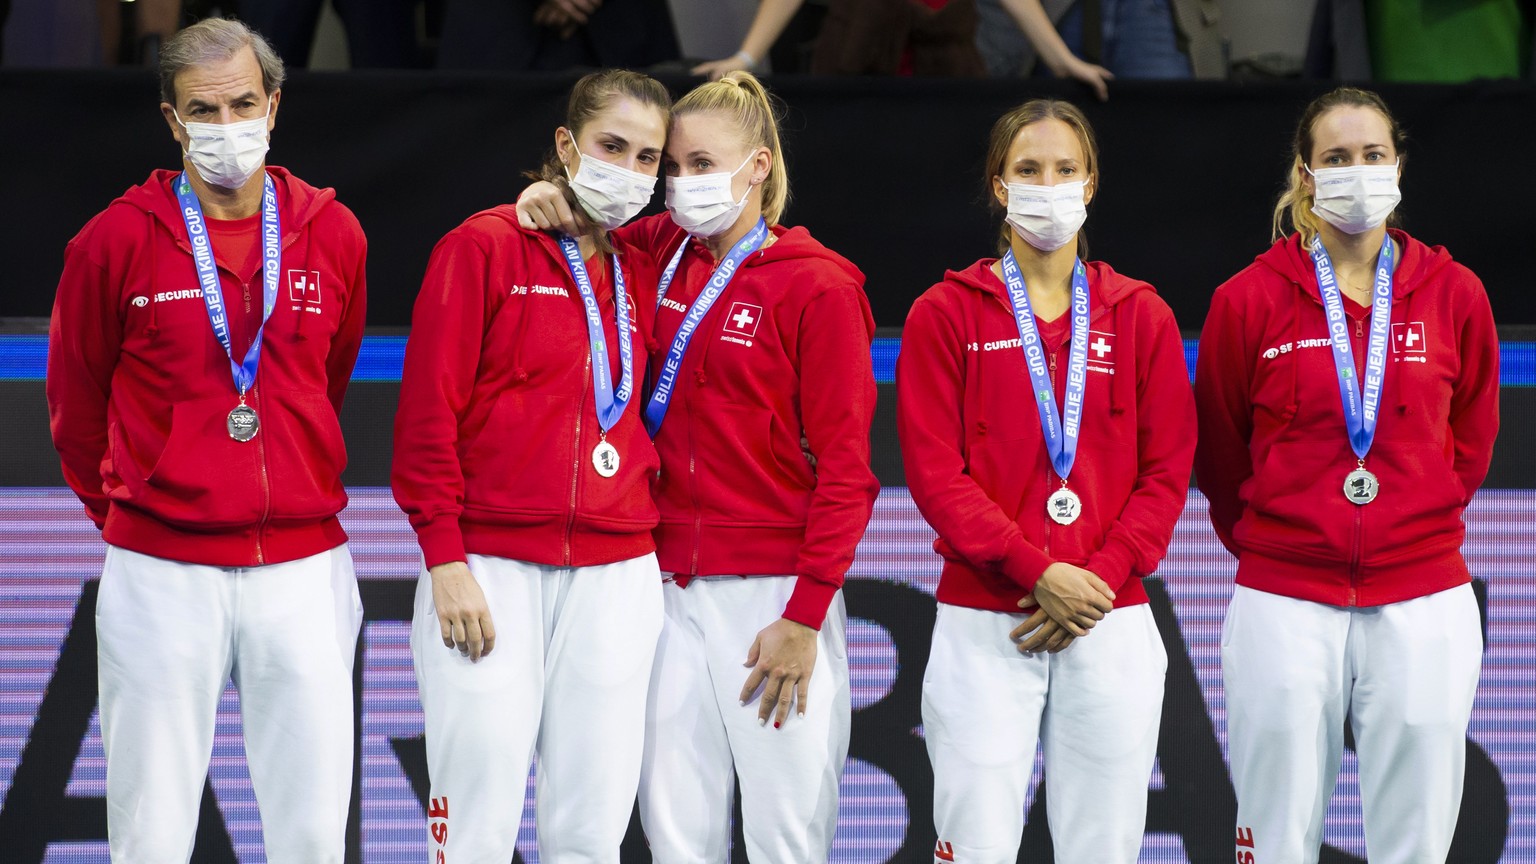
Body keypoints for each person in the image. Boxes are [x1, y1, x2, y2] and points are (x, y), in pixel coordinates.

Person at [518, 71, 879, 862]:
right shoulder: (654, 252)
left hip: (773, 597)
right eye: (672, 167)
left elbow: (850, 474)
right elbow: (577, 222)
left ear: (758, 167)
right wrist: (536, 201)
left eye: (702, 165)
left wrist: (805, 615)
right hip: (661, 589)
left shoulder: (819, 287)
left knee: (787, 837)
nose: (681, 184)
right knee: (678, 836)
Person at [45, 17, 367, 862]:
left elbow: (326, 380)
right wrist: (140, 513)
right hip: (160, 571)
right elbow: (75, 413)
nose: (228, 128)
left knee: (312, 832)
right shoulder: (113, 240)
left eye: (244, 104)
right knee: (150, 829)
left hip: (302, 567)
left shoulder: (334, 233)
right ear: (170, 119)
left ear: (275, 104)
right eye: (204, 110)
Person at [1194, 86, 1500, 863]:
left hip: (1424, 595)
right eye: (1336, 158)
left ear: (1398, 166)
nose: (1355, 172)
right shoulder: (1246, 301)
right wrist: (1284, 542)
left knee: (1417, 838)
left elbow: (1469, 443)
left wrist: (1412, 524)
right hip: (1285, 597)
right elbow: (1224, 456)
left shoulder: (1455, 295)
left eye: (1371, 156)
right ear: (1305, 176)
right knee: (1276, 831)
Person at [896, 98, 1194, 863]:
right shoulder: (945, 313)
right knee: (975, 843)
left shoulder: (1141, 315)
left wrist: (1092, 579)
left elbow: (1166, 473)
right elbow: (936, 475)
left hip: (1109, 613)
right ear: (999, 184)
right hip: (986, 617)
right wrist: (1040, 572)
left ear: (1090, 183)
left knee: (1104, 847)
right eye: (1029, 170)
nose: (1048, 184)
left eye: (1065, 169)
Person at [391, 69, 671, 862]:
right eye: (611, 146)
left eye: (647, 157)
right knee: (474, 819)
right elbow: (424, 420)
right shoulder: (482, 247)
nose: (628, 169)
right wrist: (445, 560)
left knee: (590, 830)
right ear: (565, 145)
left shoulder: (645, 266)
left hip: (618, 571)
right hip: (488, 564)